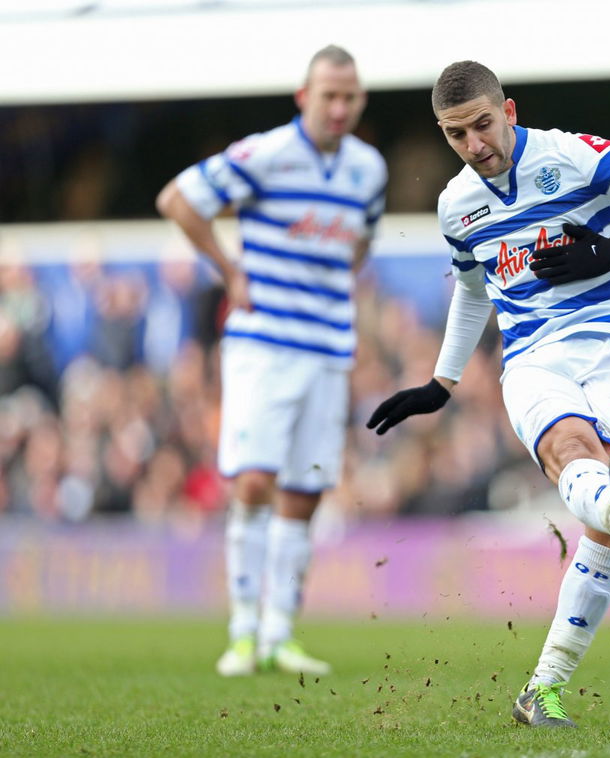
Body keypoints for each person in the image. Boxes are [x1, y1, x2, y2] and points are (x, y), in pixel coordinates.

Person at [367, 61, 610, 727]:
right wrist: (441, 384)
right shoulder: (456, 206)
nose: (474, 145)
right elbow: (472, 291)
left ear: (509, 109)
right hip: (533, 356)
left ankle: (542, 685)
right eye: (455, 135)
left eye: (481, 124)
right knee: (570, 449)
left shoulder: (573, 155)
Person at [156, 45, 386, 677]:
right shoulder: (266, 154)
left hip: (328, 348)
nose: (339, 107)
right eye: (328, 95)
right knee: (254, 479)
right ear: (303, 96)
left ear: (360, 99)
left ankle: (281, 631)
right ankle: (241, 631)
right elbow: (177, 198)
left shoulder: (368, 168)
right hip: (263, 345)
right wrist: (230, 270)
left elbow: (362, 239)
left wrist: (334, 285)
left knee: (306, 491)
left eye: (350, 96)